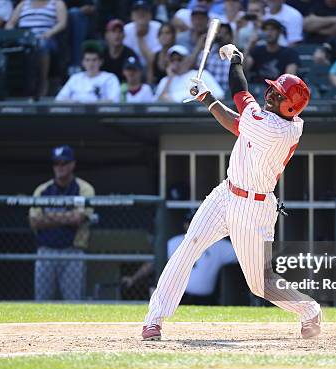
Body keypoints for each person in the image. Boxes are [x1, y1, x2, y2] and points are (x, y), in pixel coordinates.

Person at [141, 42, 322, 341]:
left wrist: (232, 66)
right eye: (272, 91)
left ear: (289, 107)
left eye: (276, 96)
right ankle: (154, 319)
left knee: (260, 284)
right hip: (226, 194)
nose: (269, 96)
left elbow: (240, 98)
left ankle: (309, 310)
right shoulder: (270, 121)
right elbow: (239, 120)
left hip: (254, 209)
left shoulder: (277, 129)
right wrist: (208, 94)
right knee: (189, 246)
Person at [122, 210, 238, 304]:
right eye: (190, 222)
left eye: (198, 222)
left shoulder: (218, 244)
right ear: (185, 225)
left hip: (208, 300)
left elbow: (242, 255)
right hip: (181, 299)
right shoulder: (174, 243)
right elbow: (153, 264)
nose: (194, 226)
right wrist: (133, 278)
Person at [29, 146, 95, 301]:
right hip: (46, 251)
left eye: (64, 163)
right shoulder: (42, 190)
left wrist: (49, 216)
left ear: (72, 164)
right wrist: (66, 217)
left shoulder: (84, 189)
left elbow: (78, 219)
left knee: (73, 303)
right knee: (42, 303)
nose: (60, 167)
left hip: (73, 251)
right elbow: (34, 221)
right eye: (56, 163)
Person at [6, 0, 68, 98]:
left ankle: (42, 82)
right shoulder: (23, 4)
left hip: (46, 38)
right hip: (24, 39)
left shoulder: (56, 3)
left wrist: (50, 33)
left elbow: (62, 23)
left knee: (41, 45)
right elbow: (10, 23)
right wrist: (13, 34)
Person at [154, 45, 224, 103]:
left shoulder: (201, 74)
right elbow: (158, 103)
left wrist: (195, 100)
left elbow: (220, 96)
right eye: (172, 60)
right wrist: (170, 78)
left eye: (179, 59)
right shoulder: (165, 80)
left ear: (187, 59)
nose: (176, 63)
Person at [56, 45, 120, 103]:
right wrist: (77, 103)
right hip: (77, 113)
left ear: (101, 62)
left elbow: (114, 100)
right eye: (87, 60)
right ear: (82, 62)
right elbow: (59, 99)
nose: (91, 64)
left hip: (101, 114)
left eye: (94, 60)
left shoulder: (110, 78)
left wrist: (92, 104)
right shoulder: (75, 78)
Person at [245, 19, 300, 84]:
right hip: (259, 90)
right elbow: (244, 67)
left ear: (279, 32)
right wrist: (250, 45)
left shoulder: (290, 53)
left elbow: (290, 78)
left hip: (280, 90)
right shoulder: (257, 50)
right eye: (266, 29)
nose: (269, 32)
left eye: (272, 29)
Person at [185, 23, 233, 91]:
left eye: (225, 33)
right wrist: (201, 43)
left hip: (229, 95)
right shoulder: (206, 53)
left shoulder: (236, 55)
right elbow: (189, 67)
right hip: (210, 93)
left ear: (230, 36)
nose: (222, 36)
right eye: (220, 33)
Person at [123, 0, 162, 68]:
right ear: (132, 16)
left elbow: (153, 60)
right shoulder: (126, 30)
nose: (141, 14)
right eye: (137, 11)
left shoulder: (158, 28)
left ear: (150, 15)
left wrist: (140, 38)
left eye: (144, 11)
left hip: (153, 68)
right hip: (131, 68)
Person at [64, 0, 96, 73]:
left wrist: (83, 10)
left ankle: (76, 65)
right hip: (59, 21)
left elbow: (92, 7)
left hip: (80, 21)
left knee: (75, 13)